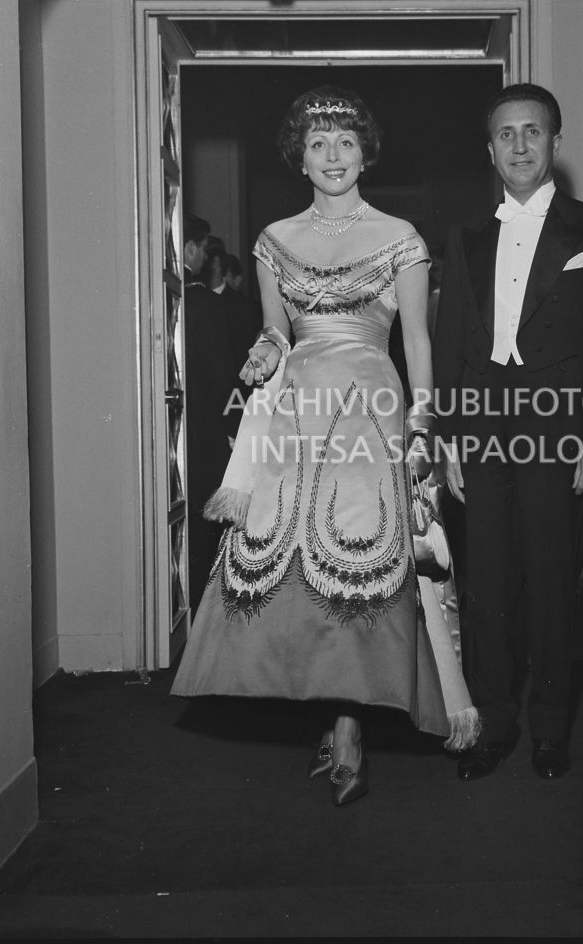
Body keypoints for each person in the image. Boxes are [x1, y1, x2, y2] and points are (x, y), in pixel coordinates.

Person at [171, 85, 478, 806]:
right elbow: (277, 331)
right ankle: (330, 710)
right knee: (292, 566)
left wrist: (425, 425)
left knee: (361, 557)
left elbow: (418, 341)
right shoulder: (274, 241)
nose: (333, 155)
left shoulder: (401, 236)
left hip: (372, 411)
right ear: (299, 158)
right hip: (297, 414)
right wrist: (263, 351)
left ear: (366, 153)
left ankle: (348, 728)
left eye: (346, 142)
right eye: (318, 144)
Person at [432, 82, 583, 781]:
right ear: (490, 150)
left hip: (558, 426)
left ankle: (550, 732)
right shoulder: (468, 239)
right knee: (487, 585)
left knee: (553, 581)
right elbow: (450, 343)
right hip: (479, 428)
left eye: (532, 131)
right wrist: (447, 438)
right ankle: (493, 725)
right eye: (506, 134)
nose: (520, 145)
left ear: (555, 143)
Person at [182, 214, 233, 606]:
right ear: (190, 249)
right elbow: (223, 377)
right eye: (201, 248)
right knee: (206, 528)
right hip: (205, 434)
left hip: (175, 430)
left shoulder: (161, 298)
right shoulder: (205, 305)